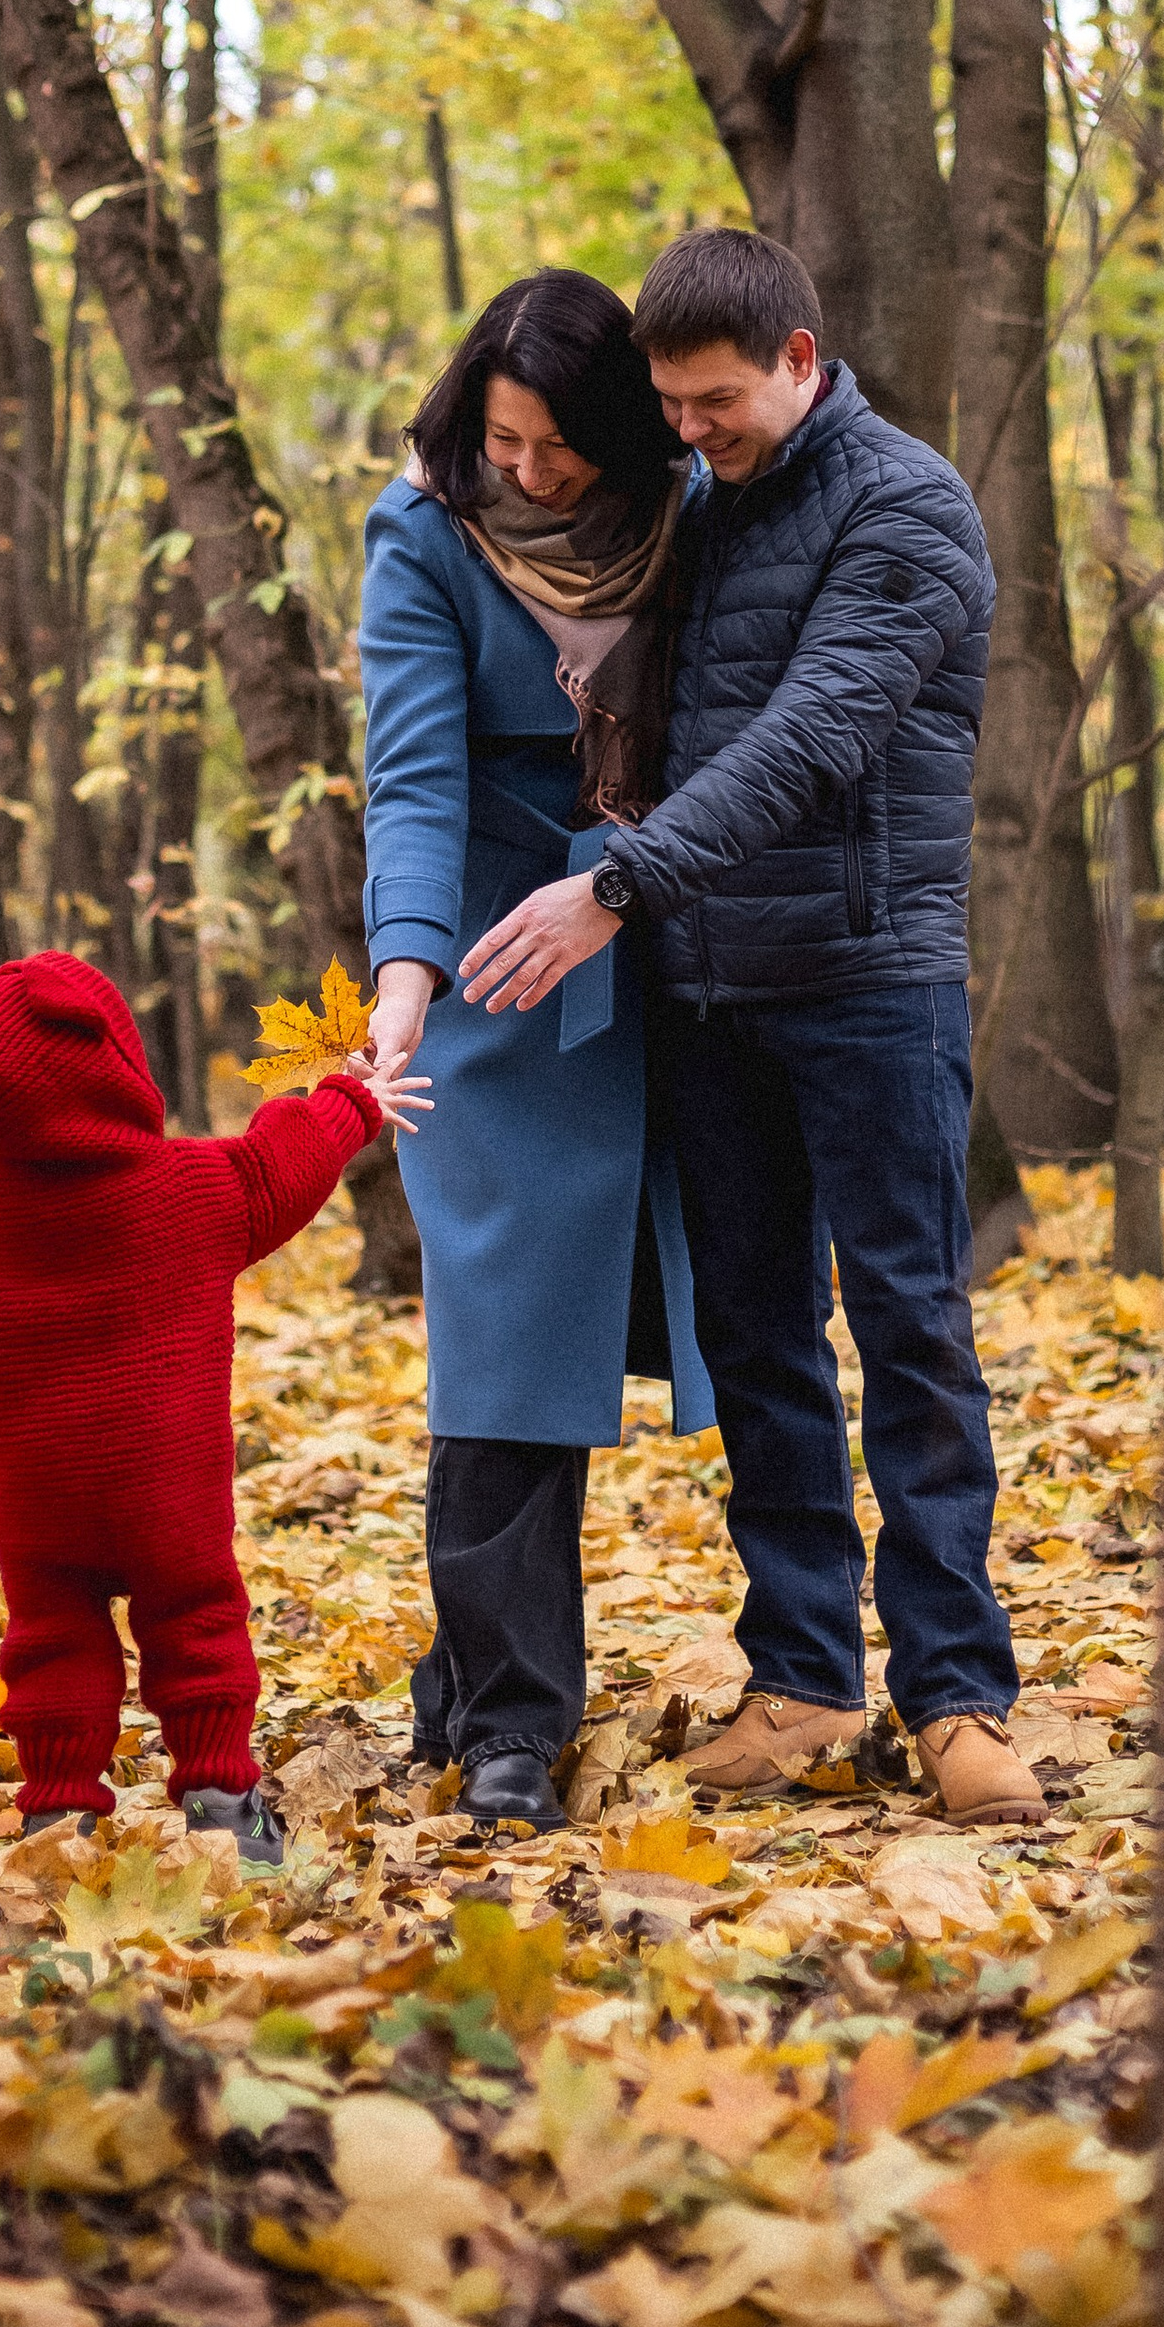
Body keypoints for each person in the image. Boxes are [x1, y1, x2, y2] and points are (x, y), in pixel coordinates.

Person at [459, 228, 1045, 1824]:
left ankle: (959, 1698)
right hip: (713, 997)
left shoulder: (909, 512)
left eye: (715, 401)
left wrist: (614, 892)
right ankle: (800, 1678)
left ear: (801, 358)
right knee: (759, 1343)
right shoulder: (696, 510)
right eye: (671, 405)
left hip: (869, 982)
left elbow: (812, 740)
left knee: (913, 1331)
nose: (692, 432)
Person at [361, 269, 715, 1836]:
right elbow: (415, 772)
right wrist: (405, 970)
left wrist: (650, 883)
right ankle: (509, 1722)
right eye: (503, 440)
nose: (529, 473)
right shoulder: (424, 529)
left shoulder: (703, 502)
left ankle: (805, 1676)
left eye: (559, 447)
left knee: (756, 1313)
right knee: (503, 1344)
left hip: (690, 932)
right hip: (500, 968)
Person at [0, 947, 426, 1860]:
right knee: (198, 1623)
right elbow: (279, 1165)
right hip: (167, 1494)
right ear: (118, 1071)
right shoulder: (191, 1192)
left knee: (51, 1640)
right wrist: (349, 1102)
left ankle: (58, 1810)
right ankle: (220, 1798)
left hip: (38, 1506)